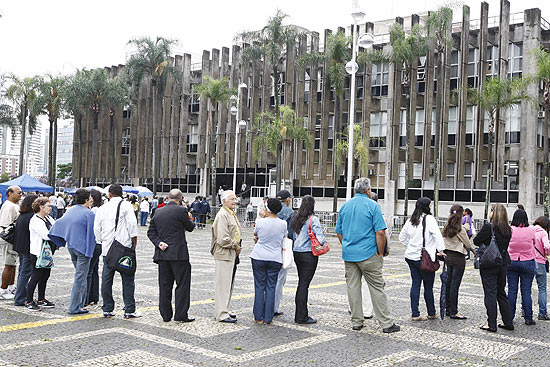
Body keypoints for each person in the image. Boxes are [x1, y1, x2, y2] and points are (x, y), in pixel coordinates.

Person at [335, 177, 399, 333]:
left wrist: (346, 245)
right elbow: (380, 232)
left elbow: (339, 231)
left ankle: (356, 321)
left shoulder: (345, 206)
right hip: (369, 253)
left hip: (350, 254)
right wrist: (380, 251)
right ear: (368, 190)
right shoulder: (373, 206)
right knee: (377, 288)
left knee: (353, 287)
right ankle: (386, 323)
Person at [147, 189, 195, 323]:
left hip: (163, 253)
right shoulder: (181, 211)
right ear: (180, 198)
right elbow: (190, 227)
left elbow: (151, 233)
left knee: (164, 285)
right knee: (182, 285)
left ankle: (165, 314)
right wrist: (187, 211)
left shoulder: (158, 211)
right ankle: (180, 315)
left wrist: (159, 243)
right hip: (179, 255)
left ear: (168, 198)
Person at [94, 184, 140, 319]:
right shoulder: (126, 206)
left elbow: (97, 229)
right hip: (123, 247)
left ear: (109, 194)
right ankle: (129, 309)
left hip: (107, 249)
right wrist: (134, 242)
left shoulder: (102, 208)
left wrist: (103, 240)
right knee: (128, 279)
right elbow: (132, 225)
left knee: (107, 279)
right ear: (122, 193)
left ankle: (107, 308)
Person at [49, 189, 96, 315]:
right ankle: (74, 307)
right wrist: (89, 251)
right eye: (90, 197)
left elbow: (59, 223)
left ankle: (80, 304)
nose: (91, 199)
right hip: (83, 249)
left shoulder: (71, 210)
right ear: (86, 200)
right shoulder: (89, 213)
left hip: (72, 246)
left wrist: (62, 238)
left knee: (82, 276)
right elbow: (92, 233)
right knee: (80, 277)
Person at [399, 197, 446, 321]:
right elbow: (437, 235)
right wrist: (441, 250)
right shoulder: (429, 219)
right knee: (428, 286)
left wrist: (410, 245)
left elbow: (401, 237)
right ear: (426, 206)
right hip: (424, 257)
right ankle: (431, 312)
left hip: (410, 256)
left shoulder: (411, 220)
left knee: (415, 284)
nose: (431, 207)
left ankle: (415, 313)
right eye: (430, 205)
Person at [473, 204, 514, 332]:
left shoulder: (488, 227)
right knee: (501, 292)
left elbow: (476, 241)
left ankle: (491, 324)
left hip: (489, 263)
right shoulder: (508, 229)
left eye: (491, 210)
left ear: (494, 213)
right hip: (502, 263)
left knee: (490, 293)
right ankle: (508, 322)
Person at [289, 195, 324, 324]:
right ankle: (301, 316)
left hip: (297, 252)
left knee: (301, 283)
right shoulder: (313, 219)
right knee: (304, 285)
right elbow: (320, 239)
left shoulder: (296, 218)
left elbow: (292, 236)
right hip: (309, 254)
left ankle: (300, 314)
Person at [250, 198, 286, 324]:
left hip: (259, 256)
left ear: (267, 209)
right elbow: (283, 237)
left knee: (259, 286)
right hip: (275, 257)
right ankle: (268, 317)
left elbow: (256, 236)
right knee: (271, 287)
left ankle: (258, 316)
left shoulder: (260, 222)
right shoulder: (283, 224)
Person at [211, 190, 241, 323]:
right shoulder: (222, 215)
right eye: (232, 199)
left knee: (229, 283)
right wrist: (235, 245)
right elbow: (222, 239)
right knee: (222, 285)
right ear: (224, 201)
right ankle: (221, 313)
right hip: (224, 253)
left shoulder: (231, 213)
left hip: (232, 253)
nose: (235, 201)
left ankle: (225, 309)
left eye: (235, 199)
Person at [442, 204, 472, 319]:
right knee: (455, 285)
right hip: (458, 257)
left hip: (448, 256)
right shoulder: (460, 228)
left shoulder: (446, 225)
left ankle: (448, 309)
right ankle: (454, 311)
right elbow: (468, 244)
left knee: (449, 283)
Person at [507, 209, 537, 326]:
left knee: (512, 290)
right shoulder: (531, 230)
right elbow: (533, 244)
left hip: (512, 261)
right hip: (527, 261)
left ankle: (510, 317)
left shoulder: (510, 230)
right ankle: (528, 318)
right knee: (526, 291)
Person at [26, 197, 56, 311]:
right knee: (36, 276)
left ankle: (41, 298)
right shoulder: (35, 220)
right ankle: (28, 301)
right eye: (48, 206)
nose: (50, 208)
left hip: (48, 252)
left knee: (45, 275)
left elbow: (56, 227)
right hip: (38, 252)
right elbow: (46, 235)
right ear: (41, 207)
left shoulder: (48, 218)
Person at [13, 194, 38, 306]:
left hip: (20, 247)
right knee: (25, 273)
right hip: (28, 248)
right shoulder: (32, 217)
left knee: (22, 272)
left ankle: (20, 295)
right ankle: (20, 298)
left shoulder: (22, 215)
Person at [273, 190, 295, 317]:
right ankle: (274, 307)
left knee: (269, 279)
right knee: (280, 279)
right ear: (287, 199)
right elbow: (291, 233)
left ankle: (266, 304)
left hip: (269, 248)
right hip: (283, 248)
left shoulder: (269, 210)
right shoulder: (290, 213)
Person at [0, 185, 22, 300]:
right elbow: (5, 224)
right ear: (9, 193)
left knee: (13, 264)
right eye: (18, 192)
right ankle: (3, 290)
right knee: (9, 264)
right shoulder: (9, 206)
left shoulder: (14, 205)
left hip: (12, 238)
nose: (20, 195)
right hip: (8, 238)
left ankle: (11, 286)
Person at [86, 189, 103, 307]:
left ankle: (86, 297)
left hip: (94, 243)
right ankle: (94, 296)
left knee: (88, 271)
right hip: (99, 243)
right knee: (94, 270)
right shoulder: (99, 209)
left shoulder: (94, 211)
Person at [533, 216, 550, 320]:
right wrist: (546, 254)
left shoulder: (530, 229)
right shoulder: (543, 232)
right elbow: (547, 247)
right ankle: (542, 313)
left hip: (529, 261)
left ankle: (524, 310)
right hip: (540, 262)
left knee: (526, 288)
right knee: (542, 288)